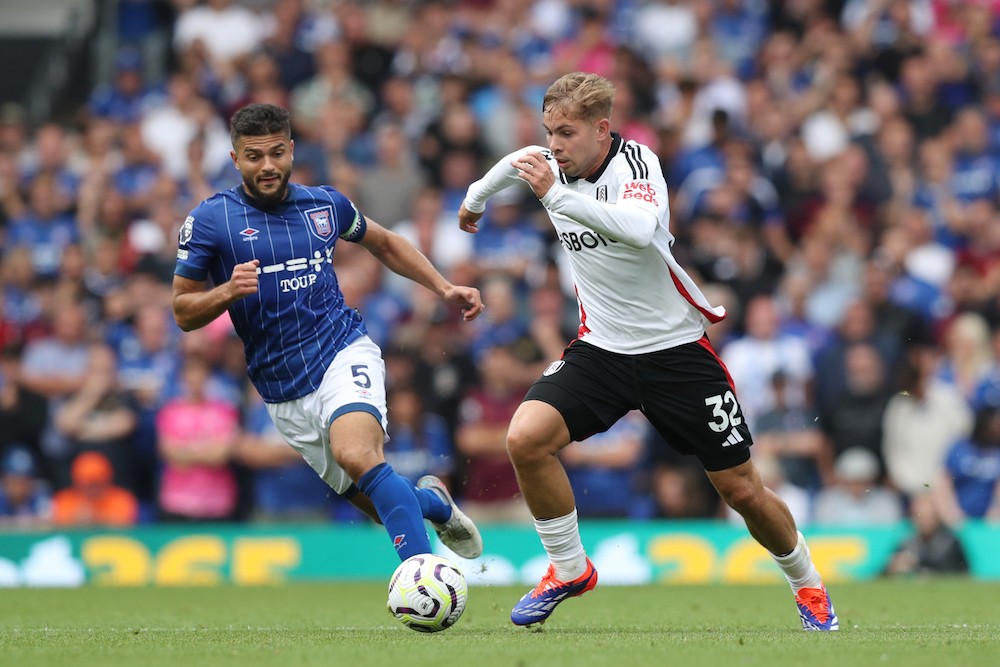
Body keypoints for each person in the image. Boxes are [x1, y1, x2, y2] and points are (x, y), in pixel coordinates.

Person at [458, 72, 837, 630]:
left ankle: (808, 585)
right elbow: (516, 160)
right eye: (549, 132)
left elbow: (637, 230)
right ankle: (568, 569)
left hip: (675, 352)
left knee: (741, 489)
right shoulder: (549, 164)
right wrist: (474, 202)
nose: (554, 145)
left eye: (566, 132)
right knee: (525, 438)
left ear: (602, 130)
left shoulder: (638, 166)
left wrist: (554, 195)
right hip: (602, 350)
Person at [171, 104, 484, 562]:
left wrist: (443, 286)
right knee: (381, 505)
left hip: (341, 351)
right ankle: (434, 503)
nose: (268, 166)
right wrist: (226, 292)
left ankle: (425, 578)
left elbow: (385, 242)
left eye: (277, 153)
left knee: (358, 454)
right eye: (254, 157)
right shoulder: (211, 220)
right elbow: (182, 310)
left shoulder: (324, 204)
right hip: (282, 391)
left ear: (292, 150)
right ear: (236, 160)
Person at [51, 451, 138, 527]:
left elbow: (126, 525)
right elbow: (54, 526)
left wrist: (96, 518)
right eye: (87, 484)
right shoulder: (63, 499)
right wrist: (75, 519)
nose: (92, 489)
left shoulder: (122, 498)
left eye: (97, 483)